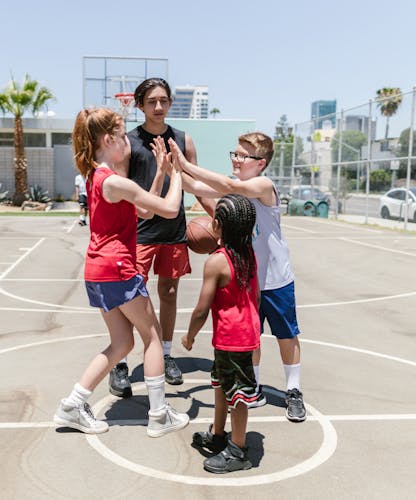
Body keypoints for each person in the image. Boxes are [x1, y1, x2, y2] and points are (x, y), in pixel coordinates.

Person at [53, 108, 189, 437]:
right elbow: (169, 210)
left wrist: (160, 173)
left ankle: (72, 405)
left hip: (98, 269)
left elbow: (143, 209)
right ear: (108, 139)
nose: (128, 140)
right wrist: (179, 173)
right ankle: (159, 415)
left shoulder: (99, 177)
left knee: (121, 342)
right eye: (123, 133)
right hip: (117, 268)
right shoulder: (112, 180)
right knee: (153, 337)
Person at [170, 132, 307, 423]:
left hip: (276, 278)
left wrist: (186, 163)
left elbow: (229, 185)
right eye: (234, 153)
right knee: (250, 338)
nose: (236, 159)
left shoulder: (263, 185)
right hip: (248, 278)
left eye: (243, 155)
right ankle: (253, 386)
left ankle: (293, 390)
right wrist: (169, 167)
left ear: (261, 163)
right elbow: (197, 186)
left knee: (286, 334)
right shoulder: (233, 190)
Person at [108, 77, 214, 397]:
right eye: (152, 101)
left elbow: (196, 186)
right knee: (129, 300)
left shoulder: (183, 140)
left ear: (169, 103)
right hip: (137, 234)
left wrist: (219, 220)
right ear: (139, 105)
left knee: (168, 293)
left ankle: (166, 354)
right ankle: (121, 363)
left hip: (173, 232)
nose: (158, 107)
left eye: (163, 101)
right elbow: (121, 192)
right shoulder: (128, 143)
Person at [182, 194, 260, 473]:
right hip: (241, 334)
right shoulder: (248, 253)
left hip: (232, 338)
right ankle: (218, 435)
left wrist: (189, 336)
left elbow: (202, 309)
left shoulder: (216, 262)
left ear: (216, 225)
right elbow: (257, 296)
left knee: (237, 395)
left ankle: (238, 450)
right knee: (220, 383)